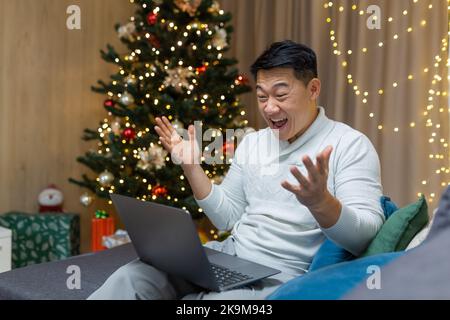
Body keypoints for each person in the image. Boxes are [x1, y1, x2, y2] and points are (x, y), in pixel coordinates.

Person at [88, 40, 385, 300]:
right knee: (130, 279)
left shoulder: (350, 145)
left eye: (281, 95)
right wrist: (192, 167)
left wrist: (322, 203)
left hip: (282, 274)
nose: (269, 108)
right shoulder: (253, 142)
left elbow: (364, 236)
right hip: (230, 255)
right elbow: (226, 217)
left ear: (313, 89)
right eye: (262, 96)